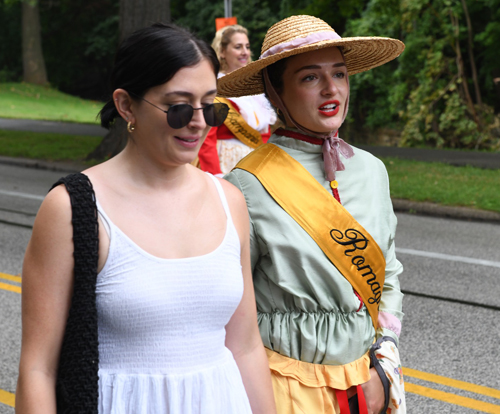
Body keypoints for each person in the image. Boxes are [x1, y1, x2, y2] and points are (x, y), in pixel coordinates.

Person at [15, 23, 276, 414]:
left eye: (210, 105)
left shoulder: (230, 201)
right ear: (126, 105)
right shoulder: (72, 207)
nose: (199, 122)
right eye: (179, 106)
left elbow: (245, 345)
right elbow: (39, 370)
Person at [219, 15, 406, 414]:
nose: (331, 89)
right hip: (283, 386)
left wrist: (383, 361)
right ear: (276, 90)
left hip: (364, 382)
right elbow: (230, 302)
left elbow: (387, 269)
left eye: (339, 73)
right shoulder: (247, 183)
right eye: (309, 78)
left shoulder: (372, 170)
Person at [198, 24, 276, 176]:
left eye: (247, 47)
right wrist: (214, 174)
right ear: (222, 52)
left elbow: (263, 133)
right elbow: (207, 138)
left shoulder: (255, 90)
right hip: (226, 162)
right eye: (238, 47)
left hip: (256, 163)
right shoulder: (214, 86)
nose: (245, 52)